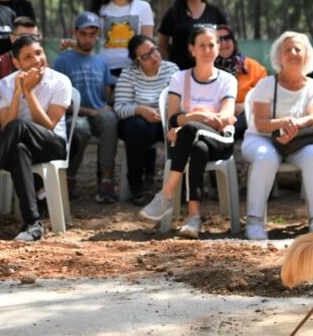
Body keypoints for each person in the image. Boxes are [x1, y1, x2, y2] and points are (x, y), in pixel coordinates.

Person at [0, 34, 72, 242]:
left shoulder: (60, 81)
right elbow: (5, 125)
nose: (36, 60)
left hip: (52, 143)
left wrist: (28, 91)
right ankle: (33, 224)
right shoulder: (5, 85)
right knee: (18, 147)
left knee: (18, 127)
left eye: (39, 53)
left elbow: (49, 124)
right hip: (17, 146)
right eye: (28, 57)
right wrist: (18, 91)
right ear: (17, 63)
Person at [138, 25, 237, 239]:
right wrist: (198, 116)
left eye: (212, 45)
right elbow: (173, 118)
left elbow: (225, 119)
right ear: (191, 49)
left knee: (190, 130)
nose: (207, 49)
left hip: (221, 140)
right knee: (197, 149)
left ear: (218, 48)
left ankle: (166, 195)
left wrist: (188, 121)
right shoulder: (179, 78)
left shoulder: (227, 80)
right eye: (201, 45)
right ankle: (194, 219)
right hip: (193, 141)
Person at [241, 31, 313, 240]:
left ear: (307, 56)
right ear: (279, 57)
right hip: (261, 138)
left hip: (298, 139)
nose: (293, 53)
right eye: (287, 49)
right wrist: (283, 123)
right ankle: (254, 222)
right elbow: (260, 123)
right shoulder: (265, 84)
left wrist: (292, 125)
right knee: (266, 157)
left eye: (298, 49)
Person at [52, 11, 120, 204]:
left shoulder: (102, 62)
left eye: (92, 34)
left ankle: (106, 179)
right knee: (80, 128)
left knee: (110, 119)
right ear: (75, 33)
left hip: (99, 113)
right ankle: (69, 179)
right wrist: (91, 111)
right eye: (84, 34)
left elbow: (107, 94)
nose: (88, 38)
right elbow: (59, 99)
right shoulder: (63, 61)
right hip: (73, 115)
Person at [114, 35, 180, 204]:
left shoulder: (172, 69)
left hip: (165, 121)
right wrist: (140, 110)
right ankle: (136, 184)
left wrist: (163, 113)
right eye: (145, 56)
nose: (153, 57)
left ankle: (180, 188)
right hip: (138, 123)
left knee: (182, 128)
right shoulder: (129, 74)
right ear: (137, 61)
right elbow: (120, 108)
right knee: (137, 127)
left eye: (153, 50)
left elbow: (180, 101)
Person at [90, 0, 154, 75]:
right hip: (106, 70)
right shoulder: (100, 9)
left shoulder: (143, 6)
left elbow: (147, 42)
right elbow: (90, 38)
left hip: (135, 70)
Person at [157, 0, 229, 70]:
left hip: (209, 68)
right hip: (179, 68)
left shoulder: (214, 12)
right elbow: (162, 42)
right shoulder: (173, 13)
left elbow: (226, 36)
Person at [214, 23, 267, 145]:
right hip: (218, 116)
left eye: (227, 38)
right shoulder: (208, 70)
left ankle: (221, 137)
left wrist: (245, 105)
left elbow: (267, 95)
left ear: (233, 41)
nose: (223, 43)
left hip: (246, 116)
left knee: (248, 116)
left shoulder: (252, 66)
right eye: (218, 40)